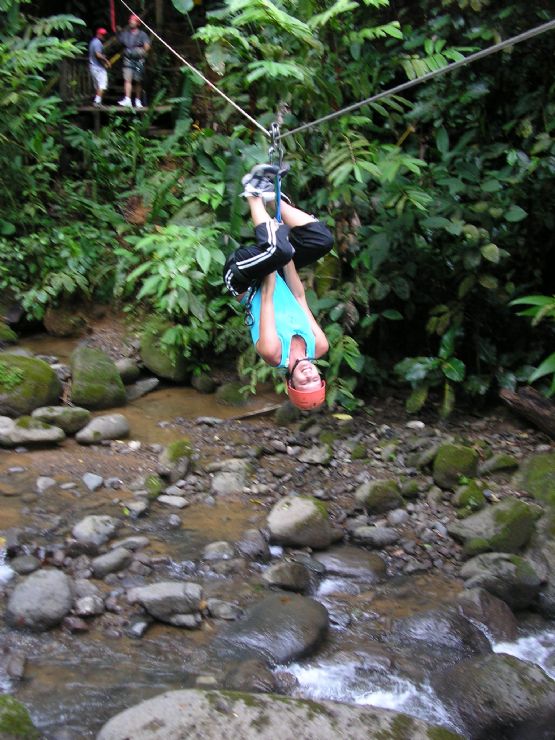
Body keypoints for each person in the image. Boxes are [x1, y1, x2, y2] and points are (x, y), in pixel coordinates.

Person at [223, 164, 334, 410]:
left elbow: (268, 297)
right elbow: (299, 295)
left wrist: (278, 246)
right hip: (278, 273)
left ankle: (252, 193)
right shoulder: (319, 345)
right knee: (321, 241)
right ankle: (274, 200)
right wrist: (288, 257)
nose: (309, 376)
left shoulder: (273, 353)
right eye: (315, 379)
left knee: (277, 249)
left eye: (304, 383)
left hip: (243, 278)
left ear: (290, 383)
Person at [117, 14, 151, 109]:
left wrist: (141, 52)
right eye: (130, 20)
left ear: (138, 23)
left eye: (133, 20)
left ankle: (137, 100)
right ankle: (127, 99)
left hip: (138, 60)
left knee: (138, 81)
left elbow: (147, 47)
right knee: (127, 79)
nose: (131, 22)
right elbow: (120, 42)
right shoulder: (126, 34)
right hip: (128, 58)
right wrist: (118, 31)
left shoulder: (142, 34)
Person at [88, 28, 110, 107]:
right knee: (102, 85)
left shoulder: (92, 42)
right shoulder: (97, 43)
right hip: (98, 67)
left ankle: (98, 102)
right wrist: (106, 60)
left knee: (97, 85)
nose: (103, 36)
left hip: (92, 66)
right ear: (98, 34)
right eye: (102, 34)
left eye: (104, 34)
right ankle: (97, 102)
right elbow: (98, 54)